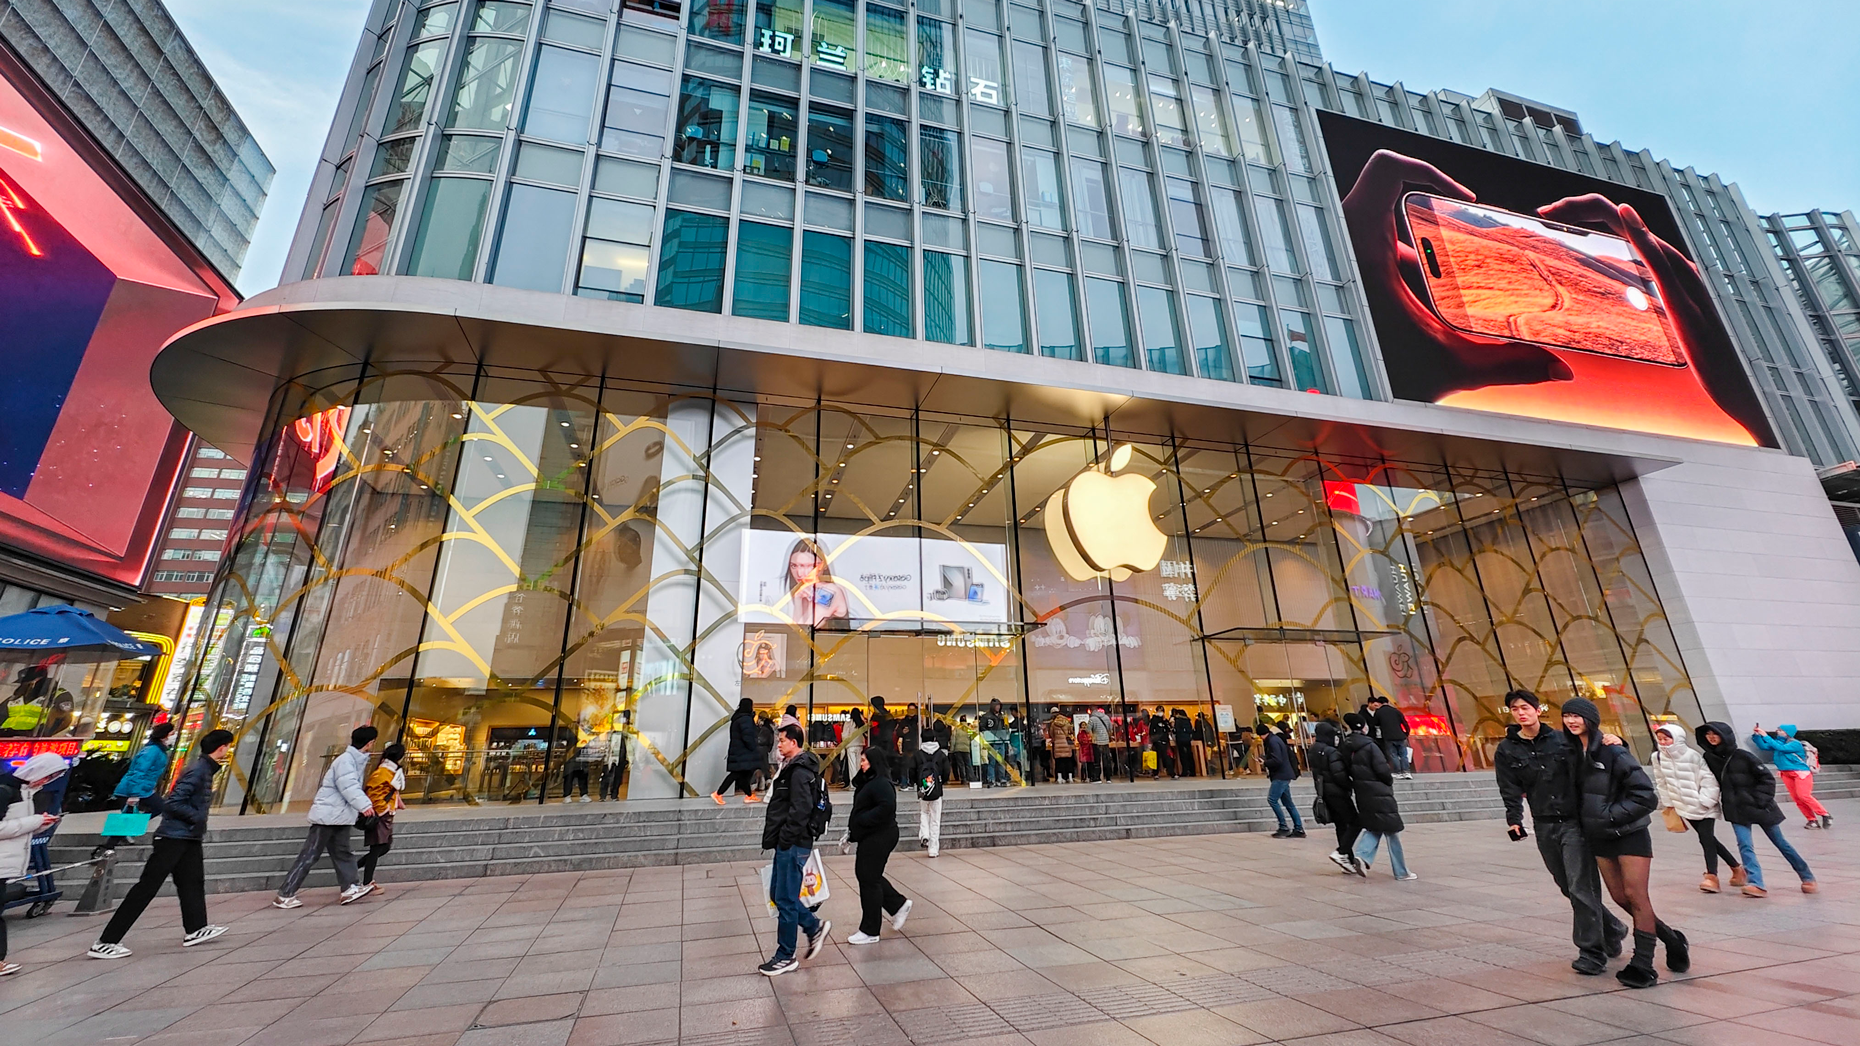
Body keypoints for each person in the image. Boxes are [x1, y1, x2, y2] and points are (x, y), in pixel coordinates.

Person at [1494, 690, 1627, 976]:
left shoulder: (1562, 739)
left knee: (1581, 886)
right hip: (1544, 824)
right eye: (1515, 709)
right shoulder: (1506, 749)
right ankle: (1613, 927)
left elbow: (1594, 753)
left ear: (1538, 710)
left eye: (1526, 707)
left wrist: (1616, 740)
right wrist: (1514, 819)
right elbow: (1509, 788)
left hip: (1574, 823)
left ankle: (1591, 952)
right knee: (1567, 886)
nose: (1521, 713)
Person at [1561, 697, 1685, 988]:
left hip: (1629, 834)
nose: (1571, 721)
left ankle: (1643, 963)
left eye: (1577, 716)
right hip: (1600, 837)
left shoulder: (1612, 751)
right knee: (1618, 896)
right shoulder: (1568, 753)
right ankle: (1672, 939)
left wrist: (1610, 816)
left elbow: (1646, 795)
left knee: (1636, 895)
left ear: (1590, 719)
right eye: (1566, 716)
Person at [89, 731, 235, 959]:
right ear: (222, 748)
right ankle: (106, 941)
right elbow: (173, 803)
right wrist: (196, 817)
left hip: (187, 837)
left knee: (192, 882)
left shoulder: (203, 770)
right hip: (173, 838)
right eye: (227, 746)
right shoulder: (198, 771)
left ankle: (196, 928)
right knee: (146, 887)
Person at [1697, 721, 1816, 897]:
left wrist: (1759, 800)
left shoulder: (1743, 756)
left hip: (1760, 807)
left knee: (1781, 843)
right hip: (1736, 809)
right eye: (1708, 734)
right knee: (1745, 845)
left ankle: (1807, 876)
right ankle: (1756, 883)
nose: (1712, 737)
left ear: (1725, 735)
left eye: (1715, 733)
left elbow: (1767, 779)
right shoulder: (1708, 758)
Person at [272, 725, 378, 909]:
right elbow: (348, 786)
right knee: (310, 854)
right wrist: (365, 805)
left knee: (343, 853)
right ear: (369, 743)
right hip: (328, 817)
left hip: (339, 817)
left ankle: (350, 887)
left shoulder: (353, 760)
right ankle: (285, 894)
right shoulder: (346, 761)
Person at [758, 723, 830, 975]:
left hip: (793, 842)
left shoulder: (799, 772)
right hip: (787, 842)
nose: (779, 744)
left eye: (783, 740)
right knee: (779, 895)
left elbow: (801, 809)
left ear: (795, 743)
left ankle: (785, 955)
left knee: (786, 900)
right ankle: (813, 926)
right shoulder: (790, 768)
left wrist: (786, 837)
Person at [1649, 723, 1744, 893]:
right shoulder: (1657, 758)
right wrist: (1669, 803)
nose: (1663, 742)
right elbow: (1661, 781)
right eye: (1660, 739)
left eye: (1667, 738)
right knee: (1708, 839)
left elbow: (1709, 779)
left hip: (1704, 805)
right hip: (1683, 805)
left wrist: (1705, 800)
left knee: (1705, 839)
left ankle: (1711, 877)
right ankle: (1737, 868)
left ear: (1677, 738)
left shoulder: (1692, 755)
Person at [0, 752, 69, 975]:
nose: (47, 781)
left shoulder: (25, 793)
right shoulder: (7, 791)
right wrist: (35, 821)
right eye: (49, 776)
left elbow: (16, 827)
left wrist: (39, 824)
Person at [846, 749, 912, 943]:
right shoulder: (870, 781)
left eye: (865, 760)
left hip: (880, 835)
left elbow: (886, 807)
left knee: (869, 878)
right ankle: (898, 905)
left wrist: (862, 820)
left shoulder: (882, 783)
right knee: (868, 876)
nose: (861, 763)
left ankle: (870, 930)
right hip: (870, 835)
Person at [1343, 713, 1413, 880]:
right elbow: (1383, 770)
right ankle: (1401, 871)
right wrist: (1389, 781)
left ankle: (1362, 856)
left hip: (1362, 791)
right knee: (1392, 830)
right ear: (1362, 726)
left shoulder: (1346, 747)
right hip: (1379, 792)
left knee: (1376, 826)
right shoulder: (1370, 746)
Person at [1751, 724, 1830, 830]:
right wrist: (1757, 736)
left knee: (1804, 796)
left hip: (1800, 773)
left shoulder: (1795, 744)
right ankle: (1812, 820)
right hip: (1786, 773)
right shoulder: (1779, 742)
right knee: (1797, 798)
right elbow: (1763, 746)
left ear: (1787, 732)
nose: (1777, 731)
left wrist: (1765, 735)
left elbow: (1780, 748)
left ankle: (1825, 814)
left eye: (1780, 730)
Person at [1308, 723, 1360, 875]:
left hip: (1324, 791)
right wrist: (1349, 785)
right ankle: (1342, 852)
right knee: (1356, 821)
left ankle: (1347, 860)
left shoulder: (1314, 749)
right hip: (1338, 792)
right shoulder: (1331, 752)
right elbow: (1339, 774)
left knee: (1341, 825)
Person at [359, 742, 405, 895]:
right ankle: (366, 881)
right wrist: (383, 809)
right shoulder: (383, 772)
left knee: (383, 846)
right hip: (381, 815)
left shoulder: (389, 771)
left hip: (385, 814)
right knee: (377, 847)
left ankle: (353, 869)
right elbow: (374, 793)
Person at [111, 721, 175, 815]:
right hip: (133, 790)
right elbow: (139, 771)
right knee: (158, 807)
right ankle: (136, 825)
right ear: (163, 736)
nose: (174, 736)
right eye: (172, 734)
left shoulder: (157, 750)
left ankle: (137, 825)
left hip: (141, 790)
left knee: (132, 820)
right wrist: (134, 794)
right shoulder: (153, 751)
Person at [713, 698, 763, 804]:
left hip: (738, 751)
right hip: (744, 752)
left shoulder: (738, 718)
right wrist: (753, 747)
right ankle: (718, 793)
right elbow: (748, 736)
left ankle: (749, 795)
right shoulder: (746, 719)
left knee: (742, 775)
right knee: (736, 774)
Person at [1263, 721, 1305, 838]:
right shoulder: (1276, 740)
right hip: (1285, 774)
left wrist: (1265, 762)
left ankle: (1283, 826)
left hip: (1280, 775)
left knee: (1272, 799)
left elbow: (1277, 760)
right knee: (1288, 803)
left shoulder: (1272, 742)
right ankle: (1298, 828)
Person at [912, 738, 949, 856]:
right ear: (934, 739)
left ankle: (924, 834)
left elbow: (911, 771)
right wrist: (939, 783)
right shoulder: (941, 754)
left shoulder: (918, 755)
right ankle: (933, 849)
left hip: (922, 790)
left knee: (924, 813)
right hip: (937, 791)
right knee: (935, 819)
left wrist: (918, 784)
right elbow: (947, 772)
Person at [1371, 697, 1412, 779]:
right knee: (1404, 755)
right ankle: (1406, 772)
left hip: (1388, 737)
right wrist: (1406, 733)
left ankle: (1398, 772)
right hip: (1400, 736)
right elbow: (1405, 723)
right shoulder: (1396, 711)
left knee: (1394, 755)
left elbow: (1375, 724)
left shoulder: (1379, 712)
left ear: (1379, 703)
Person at [977, 699, 1008, 786]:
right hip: (992, 741)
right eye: (996, 705)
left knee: (1001, 761)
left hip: (1001, 740)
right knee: (992, 761)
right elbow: (981, 727)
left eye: (999, 705)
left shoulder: (1001, 717)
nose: (998, 707)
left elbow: (1004, 728)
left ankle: (1001, 779)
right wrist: (989, 734)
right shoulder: (987, 716)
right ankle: (991, 779)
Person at [1047, 708, 1076, 783]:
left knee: (1059, 761)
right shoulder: (1067, 722)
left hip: (1058, 744)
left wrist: (1055, 738)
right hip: (1066, 744)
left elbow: (1051, 734)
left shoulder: (1053, 723)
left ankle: (1060, 778)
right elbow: (1071, 732)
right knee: (1068, 760)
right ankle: (1070, 777)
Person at [1171, 709, 1195, 778]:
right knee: (1189, 754)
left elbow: (1176, 730)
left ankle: (1185, 771)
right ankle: (1192, 771)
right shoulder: (1188, 720)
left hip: (1180, 739)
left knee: (1183, 755)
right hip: (1187, 739)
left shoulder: (1178, 720)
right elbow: (1191, 730)